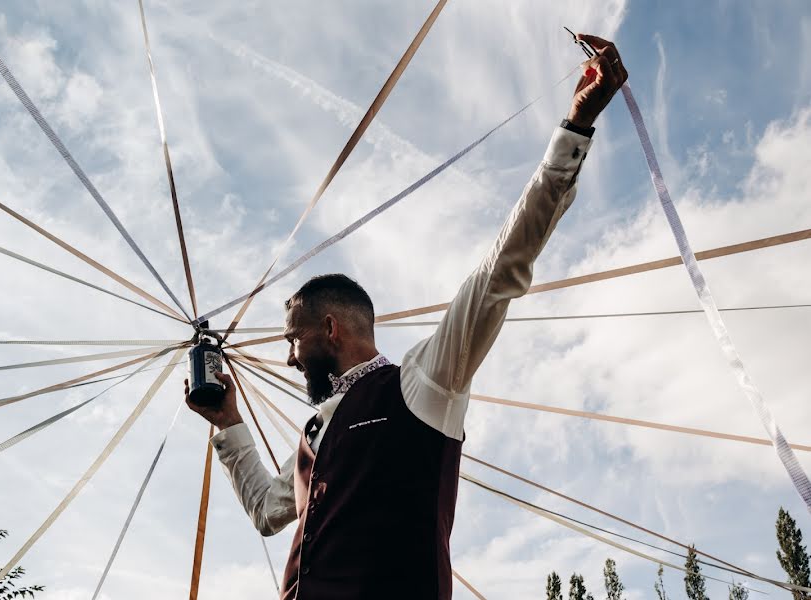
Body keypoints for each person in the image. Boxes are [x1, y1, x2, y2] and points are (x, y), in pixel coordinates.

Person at [186, 33, 628, 600]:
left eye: (293, 341)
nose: (288, 357)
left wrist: (574, 128)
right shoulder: (314, 436)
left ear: (330, 329)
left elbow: (498, 273)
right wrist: (226, 421)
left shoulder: (422, 383)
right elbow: (268, 511)